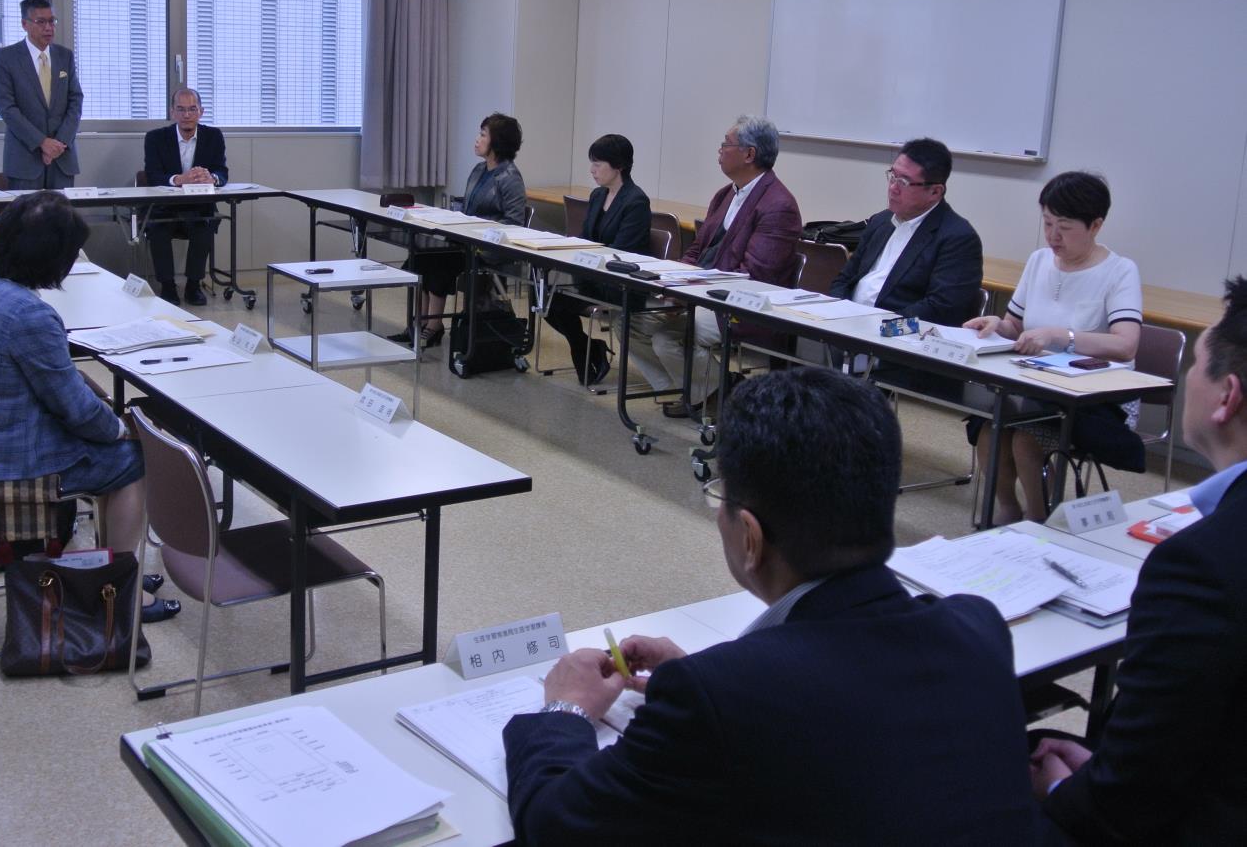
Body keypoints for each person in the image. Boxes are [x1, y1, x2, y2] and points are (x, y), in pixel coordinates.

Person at [502, 367, 1040, 844]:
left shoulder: (721, 698)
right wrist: (707, 677)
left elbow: (556, 823)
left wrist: (565, 709)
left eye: (721, 497)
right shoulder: (977, 628)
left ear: (751, 537)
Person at [1032, 276, 1247, 843]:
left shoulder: (1203, 564)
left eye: (1196, 365)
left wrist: (1061, 789)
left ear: (1228, 397)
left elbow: (1129, 799)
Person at [0, 192, 180, 623]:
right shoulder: (29, 315)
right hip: (7, 468)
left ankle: (106, 568)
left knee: (111, 442)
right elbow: (76, 411)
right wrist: (120, 428)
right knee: (134, 458)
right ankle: (119, 593)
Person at [966, 172, 1143, 523]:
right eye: (1047, 223)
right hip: (1037, 383)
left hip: (1098, 395)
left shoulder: (1120, 271)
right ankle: (1006, 510)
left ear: (1095, 225)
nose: (1053, 235)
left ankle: (1038, 520)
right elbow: (1015, 325)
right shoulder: (1039, 261)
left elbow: (1125, 345)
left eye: (1064, 226)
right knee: (989, 428)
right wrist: (997, 325)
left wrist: (1063, 336)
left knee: (1028, 439)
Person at [628, 115, 802, 417]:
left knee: (666, 337)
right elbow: (698, 249)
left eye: (726, 144)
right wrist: (674, 281)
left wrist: (690, 293)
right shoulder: (726, 194)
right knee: (629, 320)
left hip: (741, 306)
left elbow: (755, 276)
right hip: (702, 293)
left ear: (749, 154)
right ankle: (696, 393)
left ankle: (714, 398)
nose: (719, 150)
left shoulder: (778, 205)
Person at [392, 112, 527, 349]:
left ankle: (433, 326)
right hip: (465, 240)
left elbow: (514, 223)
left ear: (497, 142)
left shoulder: (510, 177)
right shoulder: (478, 170)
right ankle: (419, 323)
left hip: (488, 248)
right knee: (420, 255)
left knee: (438, 261)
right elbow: (468, 207)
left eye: (483, 135)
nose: (477, 139)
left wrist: (481, 231)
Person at [829, 136, 983, 326]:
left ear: (935, 192)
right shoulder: (881, 221)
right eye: (892, 176)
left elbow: (941, 308)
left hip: (898, 340)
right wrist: (837, 311)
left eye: (904, 182)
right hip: (850, 328)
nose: (893, 188)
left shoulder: (957, 238)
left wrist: (878, 327)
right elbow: (844, 279)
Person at [542, 134, 651, 383]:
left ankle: (585, 351)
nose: (592, 170)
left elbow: (623, 251)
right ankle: (585, 347)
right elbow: (586, 237)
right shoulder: (598, 195)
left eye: (598, 164)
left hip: (617, 282)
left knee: (557, 299)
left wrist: (585, 255)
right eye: (592, 163)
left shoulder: (636, 200)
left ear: (619, 166)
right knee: (545, 295)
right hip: (592, 275)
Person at [143, 87, 227, 305]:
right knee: (157, 226)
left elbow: (222, 171)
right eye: (181, 109)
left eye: (192, 109)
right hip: (163, 207)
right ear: (172, 112)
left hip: (198, 206)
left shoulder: (213, 136)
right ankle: (168, 286)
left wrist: (212, 178)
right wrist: (179, 179)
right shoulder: (155, 138)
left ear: (201, 111)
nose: (187, 115)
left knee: (205, 224)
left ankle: (193, 285)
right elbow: (152, 175)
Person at [0, 0, 83, 190]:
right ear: (25, 24)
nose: (48, 27)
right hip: (25, 158)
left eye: (52, 21)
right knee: (27, 219)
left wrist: (59, 143)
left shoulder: (65, 56)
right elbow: (8, 109)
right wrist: (42, 142)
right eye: (41, 22)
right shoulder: (6, 58)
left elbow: (75, 101)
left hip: (62, 157)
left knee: (62, 219)